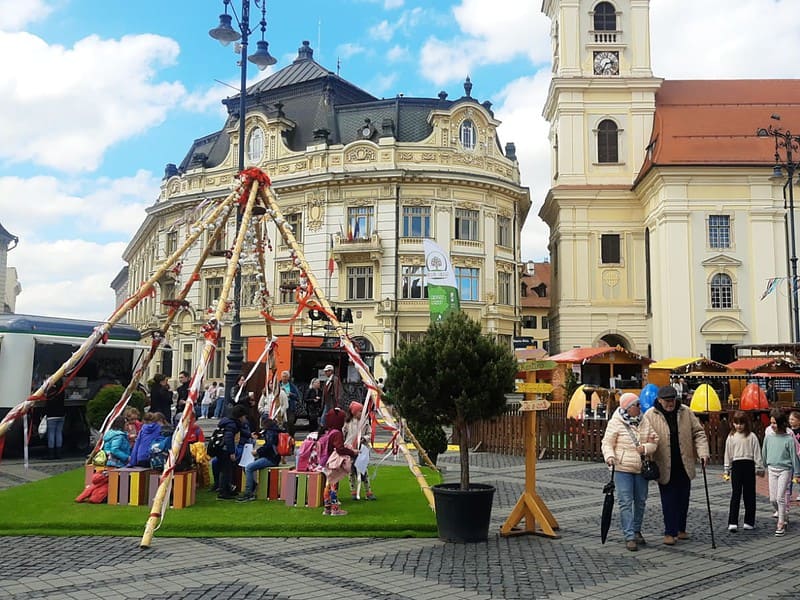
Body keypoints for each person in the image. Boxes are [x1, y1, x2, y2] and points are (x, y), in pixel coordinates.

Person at [639, 385, 710, 546]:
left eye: (673, 400)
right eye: (667, 401)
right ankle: (670, 532)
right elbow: (643, 436)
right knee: (669, 499)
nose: (670, 404)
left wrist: (703, 452)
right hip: (664, 463)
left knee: (683, 498)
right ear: (659, 400)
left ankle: (680, 529)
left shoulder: (685, 411)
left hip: (684, 462)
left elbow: (698, 433)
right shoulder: (650, 415)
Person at [600, 392, 657, 551]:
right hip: (622, 467)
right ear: (628, 408)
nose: (640, 407)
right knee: (625, 501)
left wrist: (646, 448)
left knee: (640, 500)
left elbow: (654, 440)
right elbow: (607, 443)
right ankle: (629, 535)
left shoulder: (644, 421)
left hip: (640, 467)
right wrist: (610, 456)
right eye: (637, 405)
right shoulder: (616, 422)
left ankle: (637, 530)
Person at [723, 411, 764, 532]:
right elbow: (728, 454)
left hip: (749, 466)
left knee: (749, 494)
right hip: (736, 466)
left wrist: (759, 467)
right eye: (736, 423)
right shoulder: (731, 437)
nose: (739, 426)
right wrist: (726, 469)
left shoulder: (752, 436)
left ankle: (749, 521)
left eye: (741, 423)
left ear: (746, 424)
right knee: (736, 494)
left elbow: (757, 453)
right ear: (733, 423)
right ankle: (732, 521)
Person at [763, 410, 800, 536]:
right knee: (773, 499)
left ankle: (781, 523)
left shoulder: (789, 438)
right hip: (772, 469)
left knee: (780, 497)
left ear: (780, 423)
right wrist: (762, 466)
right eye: (771, 422)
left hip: (785, 469)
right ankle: (783, 514)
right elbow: (765, 451)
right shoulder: (768, 436)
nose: (772, 425)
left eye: (774, 423)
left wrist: (797, 473)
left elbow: (793, 456)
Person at [320, 407, 357, 516]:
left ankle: (327, 508)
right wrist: (352, 452)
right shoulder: (337, 433)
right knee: (333, 485)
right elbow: (340, 448)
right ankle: (335, 509)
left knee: (328, 483)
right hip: (333, 462)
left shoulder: (329, 431)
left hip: (326, 461)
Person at [237, 416, 281, 502]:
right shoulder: (274, 432)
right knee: (248, 466)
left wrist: (257, 451)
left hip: (270, 458)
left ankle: (249, 492)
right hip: (273, 457)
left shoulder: (270, 433)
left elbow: (268, 446)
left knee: (248, 467)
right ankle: (252, 486)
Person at [216, 404, 250, 500]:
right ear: (240, 416)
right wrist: (231, 452)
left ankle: (226, 490)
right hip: (225, 450)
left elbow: (240, 432)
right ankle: (223, 492)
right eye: (244, 416)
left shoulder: (229, 422)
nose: (245, 418)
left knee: (226, 470)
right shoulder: (232, 424)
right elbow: (229, 438)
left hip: (221, 448)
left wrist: (249, 435)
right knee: (226, 471)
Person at [344, 401, 376, 501]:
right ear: (354, 412)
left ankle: (368, 492)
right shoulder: (348, 422)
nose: (362, 413)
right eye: (360, 411)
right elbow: (344, 434)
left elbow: (370, 433)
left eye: (363, 411)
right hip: (350, 449)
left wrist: (364, 438)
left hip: (362, 450)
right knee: (351, 471)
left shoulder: (365, 422)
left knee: (363, 471)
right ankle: (353, 491)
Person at [44, 376, 66, 459]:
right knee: (59, 433)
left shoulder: (51, 391)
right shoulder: (62, 390)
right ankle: (58, 453)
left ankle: (51, 453)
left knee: (51, 434)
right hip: (61, 414)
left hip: (51, 414)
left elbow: (47, 401)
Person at [278, 370, 301, 437]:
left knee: (290, 422)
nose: (284, 378)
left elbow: (297, 397)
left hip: (290, 407)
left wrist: (291, 394)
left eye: (286, 377)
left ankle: (291, 435)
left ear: (288, 377)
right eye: (283, 376)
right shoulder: (278, 385)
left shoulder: (292, 386)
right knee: (281, 423)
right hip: (280, 406)